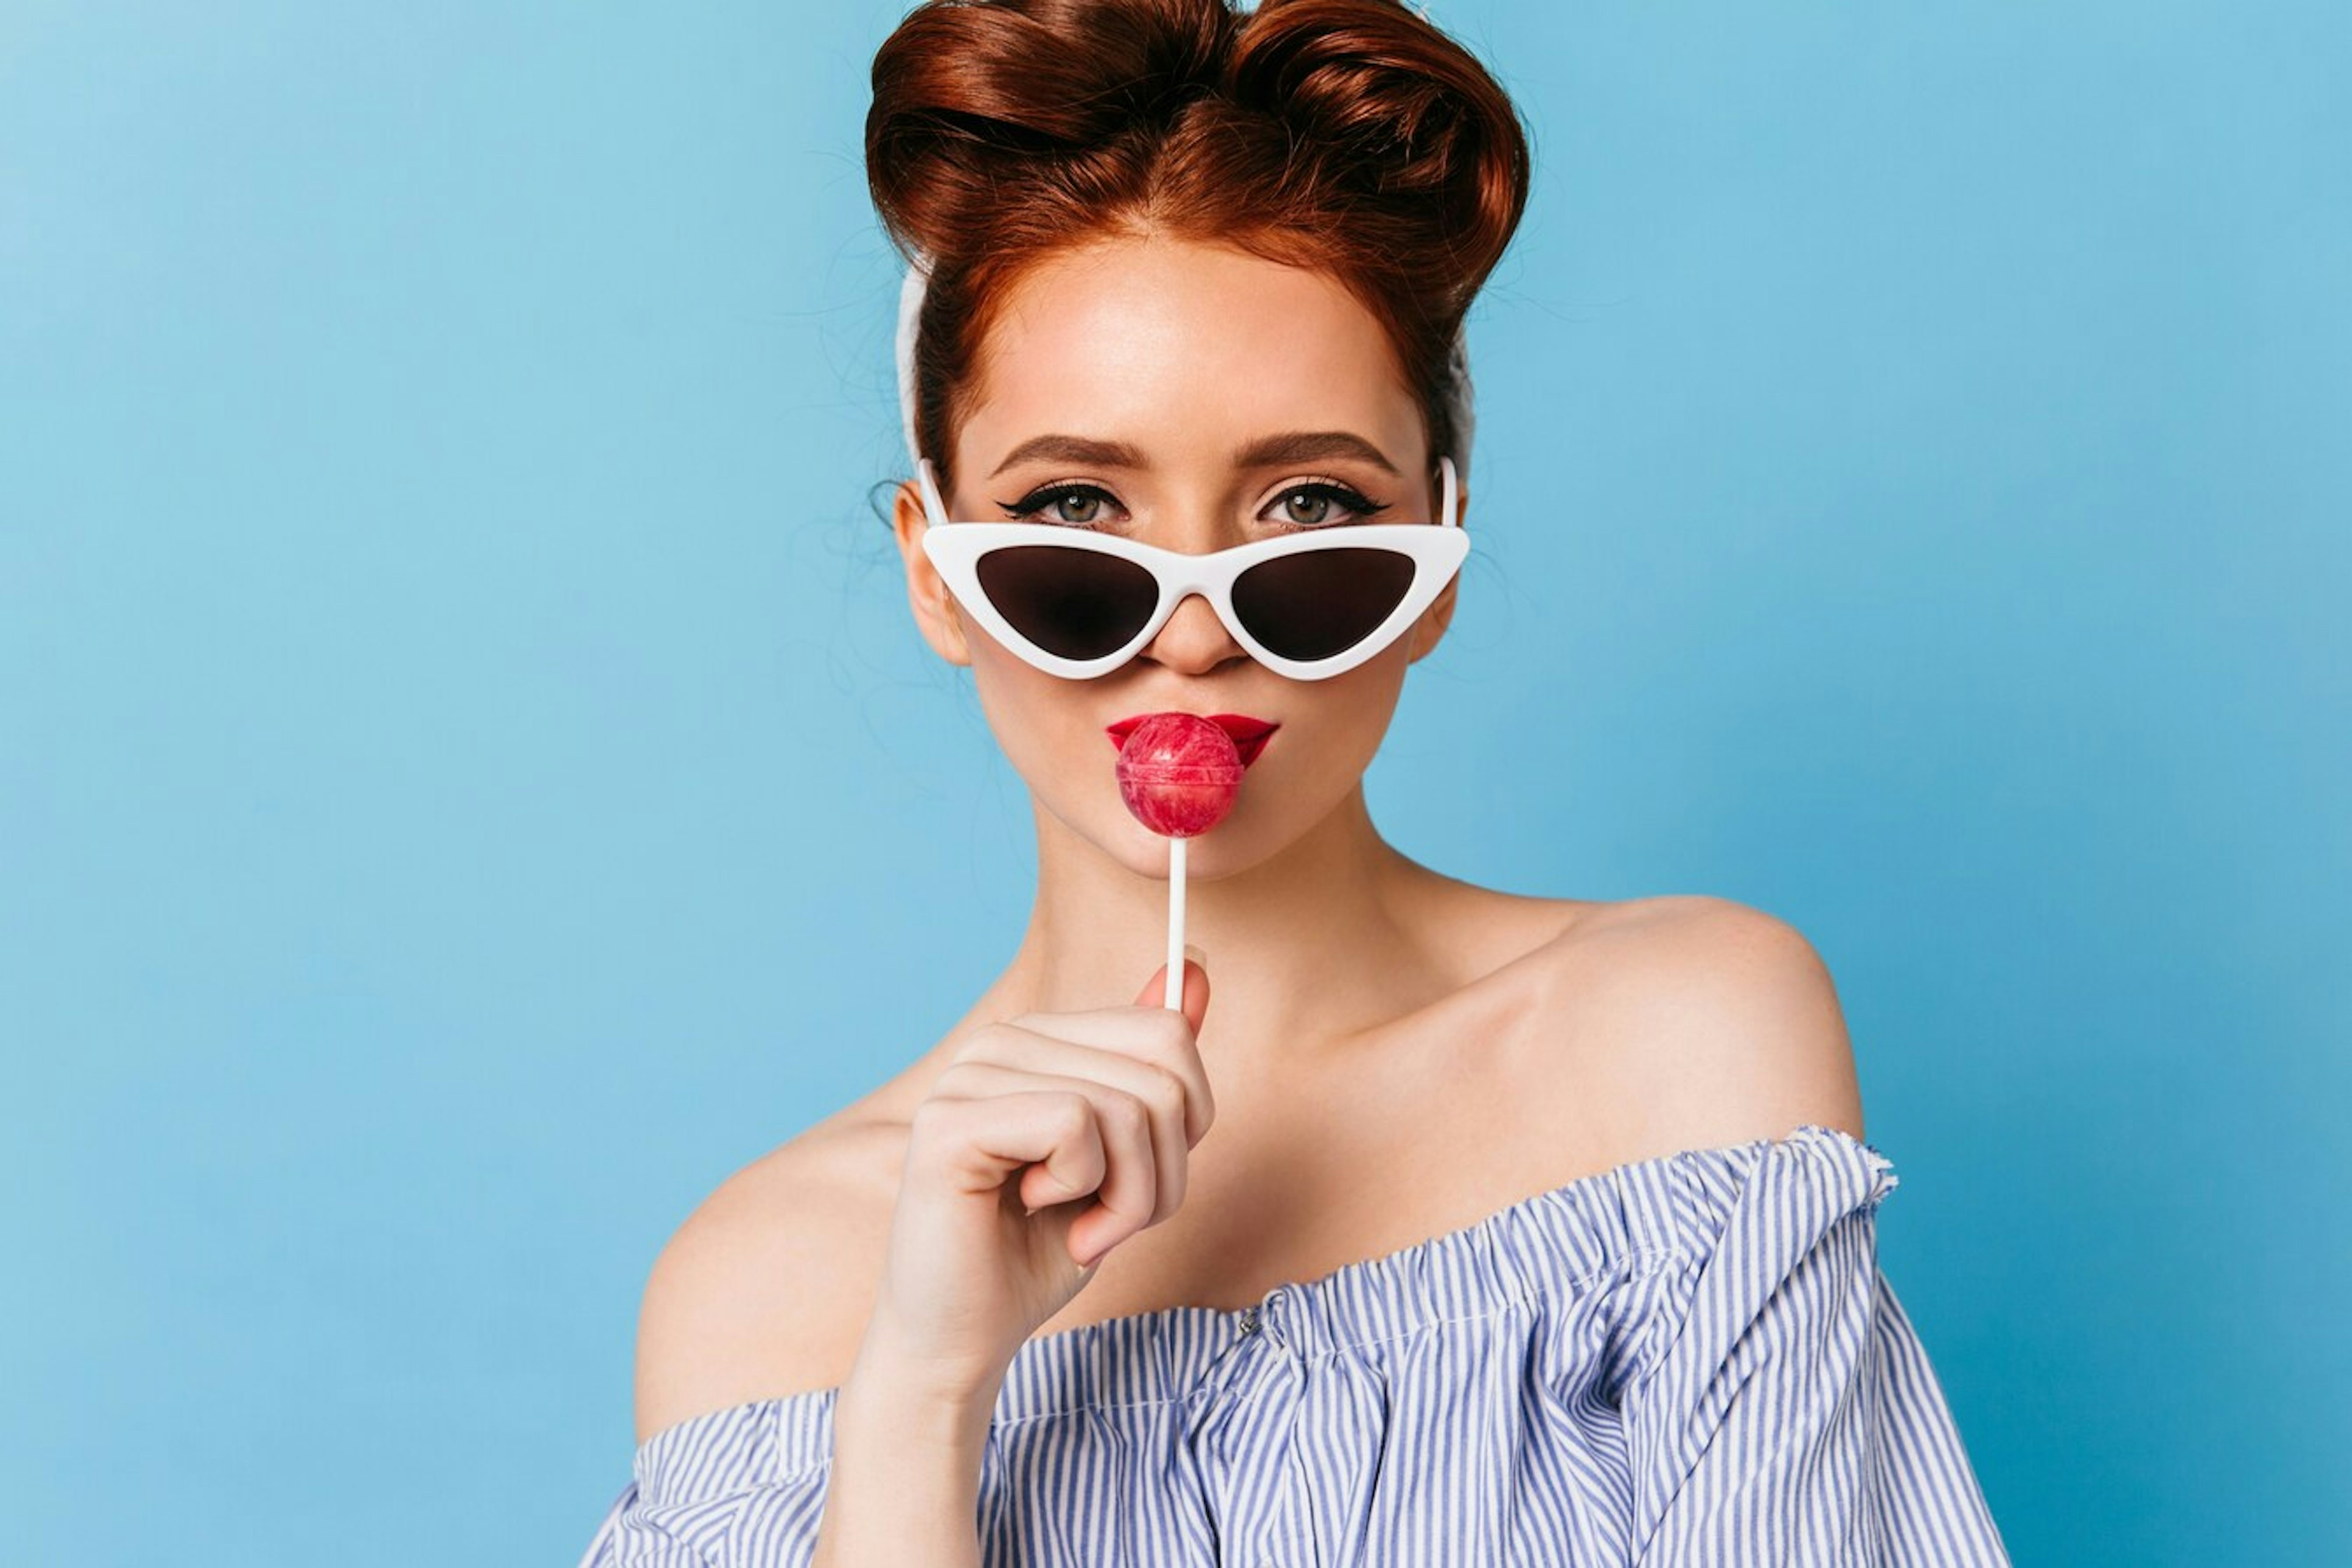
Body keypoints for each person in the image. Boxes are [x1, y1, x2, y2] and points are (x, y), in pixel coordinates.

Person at [576, 1, 2011, 1562]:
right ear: (938, 577)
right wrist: (922, 1393)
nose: (1192, 633)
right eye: (1075, 512)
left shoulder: (1668, 1036)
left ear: (1437, 562)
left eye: (1312, 507)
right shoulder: (770, 1278)